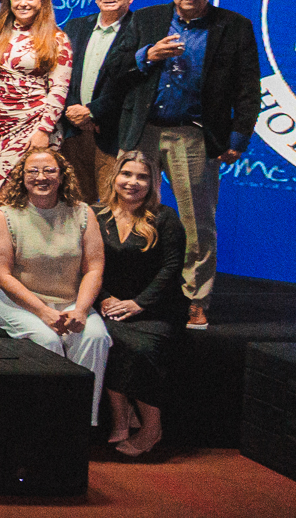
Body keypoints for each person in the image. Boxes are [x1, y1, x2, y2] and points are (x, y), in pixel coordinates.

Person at [116, 0, 259, 329]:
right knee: (131, 213)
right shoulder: (145, 18)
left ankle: (195, 298)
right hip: (143, 129)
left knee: (197, 222)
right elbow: (116, 69)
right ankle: (132, 291)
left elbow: (248, 88)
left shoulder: (234, 26)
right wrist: (146, 56)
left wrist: (238, 138)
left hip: (193, 133)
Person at [0, 145, 111, 426]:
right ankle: (48, 422)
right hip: (16, 300)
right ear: (22, 177)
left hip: (69, 299)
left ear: (62, 176)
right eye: (33, 171)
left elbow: (94, 268)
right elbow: (1, 274)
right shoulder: (6, 215)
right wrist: (43, 312)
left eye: (49, 170)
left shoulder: (83, 213)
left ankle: (79, 423)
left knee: (95, 337)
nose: (41, 177)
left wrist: (81, 309)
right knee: (49, 340)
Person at [0, 0, 73, 269]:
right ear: (9, 1)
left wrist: (44, 130)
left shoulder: (57, 38)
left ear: (42, 1)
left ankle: (31, 268)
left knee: (32, 200)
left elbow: (59, 88)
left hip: (35, 129)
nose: (23, 3)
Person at [96, 150, 185, 456]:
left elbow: (171, 269)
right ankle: (121, 419)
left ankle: (152, 428)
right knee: (101, 339)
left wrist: (138, 303)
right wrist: (104, 298)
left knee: (141, 349)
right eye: (127, 174)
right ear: (115, 177)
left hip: (157, 308)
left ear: (153, 182)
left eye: (142, 176)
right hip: (109, 305)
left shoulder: (166, 218)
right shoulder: (96, 216)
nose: (133, 182)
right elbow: (85, 265)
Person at [59, 0, 140, 204]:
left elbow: (133, 83)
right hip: (74, 131)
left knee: (110, 206)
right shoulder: (74, 27)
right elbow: (61, 75)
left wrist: (94, 111)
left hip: (112, 133)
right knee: (74, 204)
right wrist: (74, 109)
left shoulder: (140, 30)